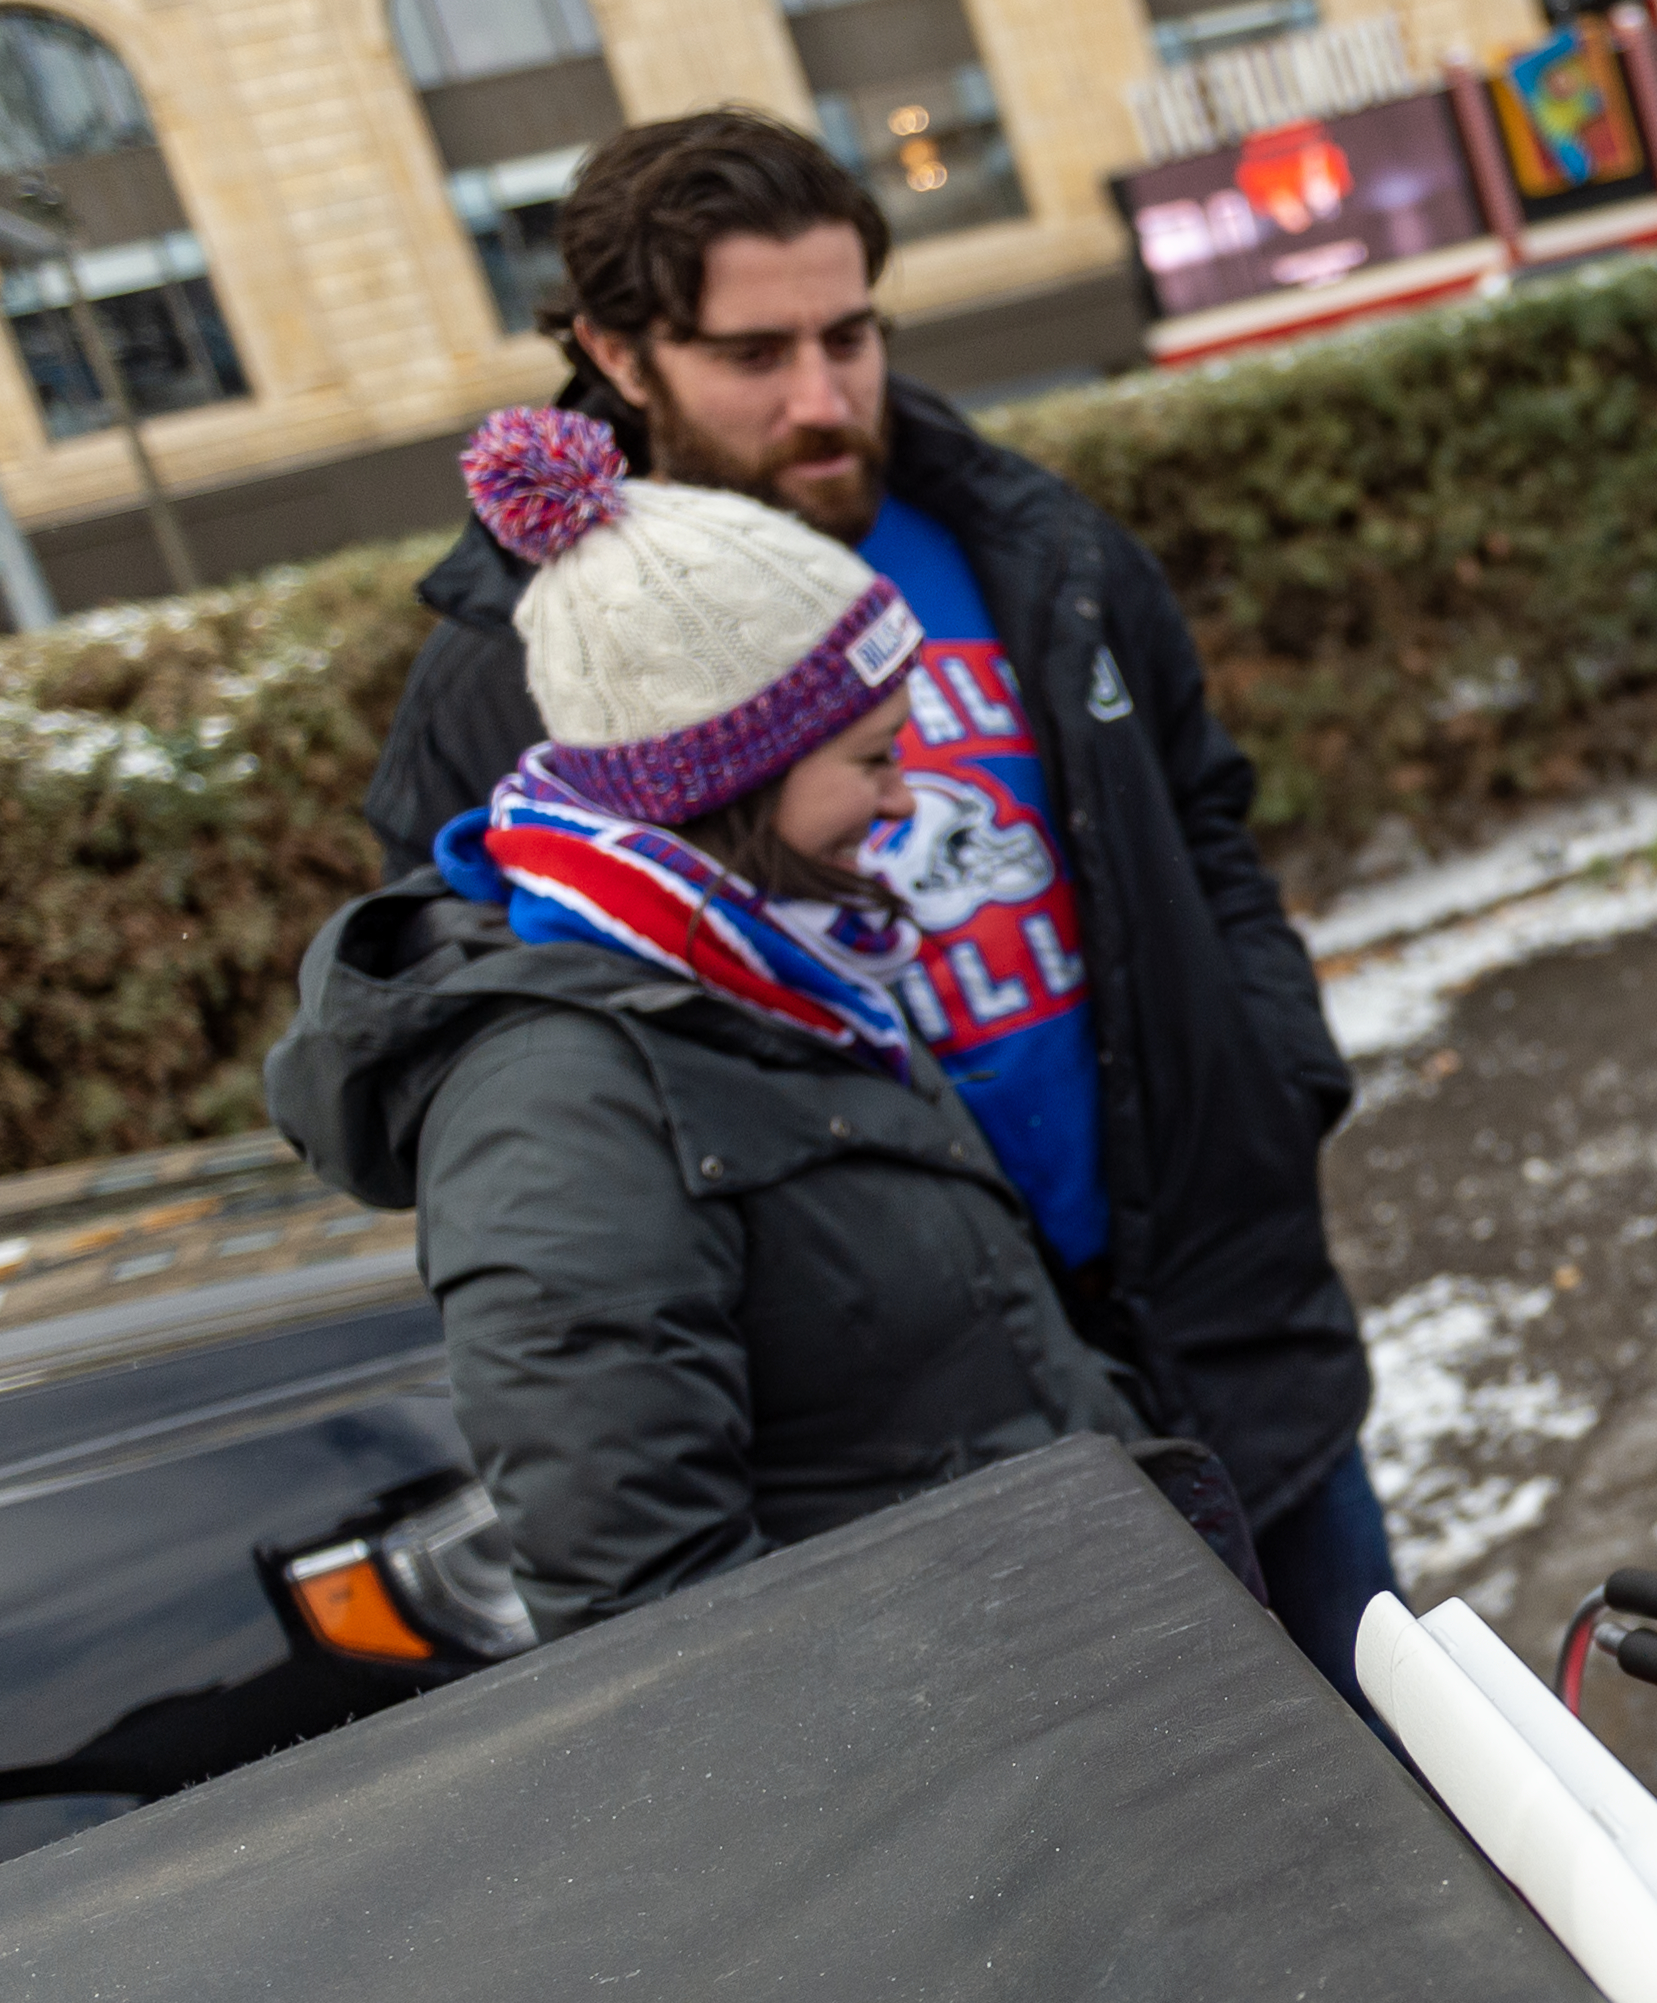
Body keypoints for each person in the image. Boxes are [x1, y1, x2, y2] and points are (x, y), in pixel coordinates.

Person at [355, 113, 1388, 1694]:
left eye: (850, 336)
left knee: (1422, 1821)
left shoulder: (1028, 539)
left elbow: (1201, 817)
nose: (824, 399)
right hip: (924, 1448)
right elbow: (515, 1065)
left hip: (1219, 1334)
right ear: (617, 356)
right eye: (755, 354)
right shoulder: (515, 675)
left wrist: (1268, 1068)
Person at [274, 412, 1159, 1633]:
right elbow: (654, 1615)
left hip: (1079, 1665)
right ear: (726, 775)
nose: (904, 796)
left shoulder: (781, 972)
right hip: (971, 1758)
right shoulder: (559, 1115)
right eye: (872, 755)